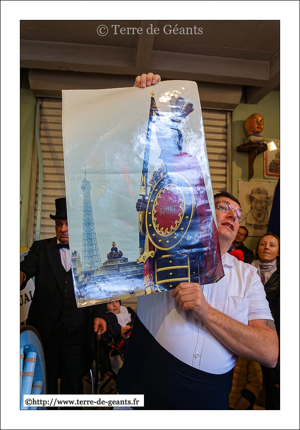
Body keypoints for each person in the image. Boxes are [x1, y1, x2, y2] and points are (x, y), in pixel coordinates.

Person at [116, 78, 278, 409]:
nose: (234, 216)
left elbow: (269, 352)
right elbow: (132, 171)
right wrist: (139, 104)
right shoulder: (161, 248)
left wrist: (205, 311)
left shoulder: (247, 276)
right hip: (147, 385)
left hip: (210, 400)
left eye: (239, 214)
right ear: (200, 209)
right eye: (224, 207)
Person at [20, 197, 107, 396]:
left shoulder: (89, 253)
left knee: (73, 383)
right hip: (45, 331)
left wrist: (99, 314)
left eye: (68, 224)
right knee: (43, 381)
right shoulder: (41, 248)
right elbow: (27, 268)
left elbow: (97, 287)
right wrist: (20, 276)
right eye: (59, 224)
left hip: (76, 331)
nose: (63, 229)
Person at [252, 232, 280, 410]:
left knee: (272, 382)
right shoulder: (245, 269)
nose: (267, 247)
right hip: (247, 329)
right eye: (263, 243)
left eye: (272, 244)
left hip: (274, 333)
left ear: (278, 252)